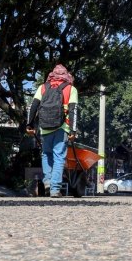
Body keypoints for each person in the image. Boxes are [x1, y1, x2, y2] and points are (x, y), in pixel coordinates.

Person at [26, 64, 78, 198]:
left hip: (45, 127)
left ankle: (48, 182)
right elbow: (73, 111)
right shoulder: (70, 89)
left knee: (46, 154)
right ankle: (55, 189)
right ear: (66, 76)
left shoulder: (43, 87)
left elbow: (33, 107)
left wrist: (29, 125)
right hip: (62, 127)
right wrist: (73, 130)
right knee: (59, 157)